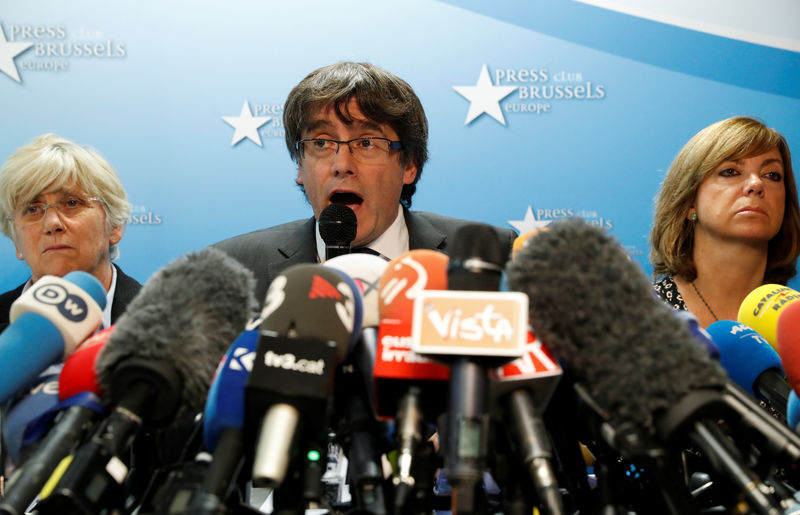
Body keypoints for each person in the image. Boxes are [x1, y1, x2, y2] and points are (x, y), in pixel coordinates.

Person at [214, 61, 517, 302]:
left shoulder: (496, 257)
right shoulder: (231, 269)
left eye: (367, 143)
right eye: (321, 143)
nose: (342, 166)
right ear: (300, 167)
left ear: (409, 163)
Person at [651, 116, 800, 327]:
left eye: (772, 175)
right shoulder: (639, 318)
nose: (756, 184)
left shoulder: (795, 320)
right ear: (689, 202)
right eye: (731, 172)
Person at [0, 133, 141, 333]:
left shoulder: (171, 325)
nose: (52, 223)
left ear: (114, 225)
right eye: (32, 209)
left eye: (72, 203)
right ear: (16, 241)